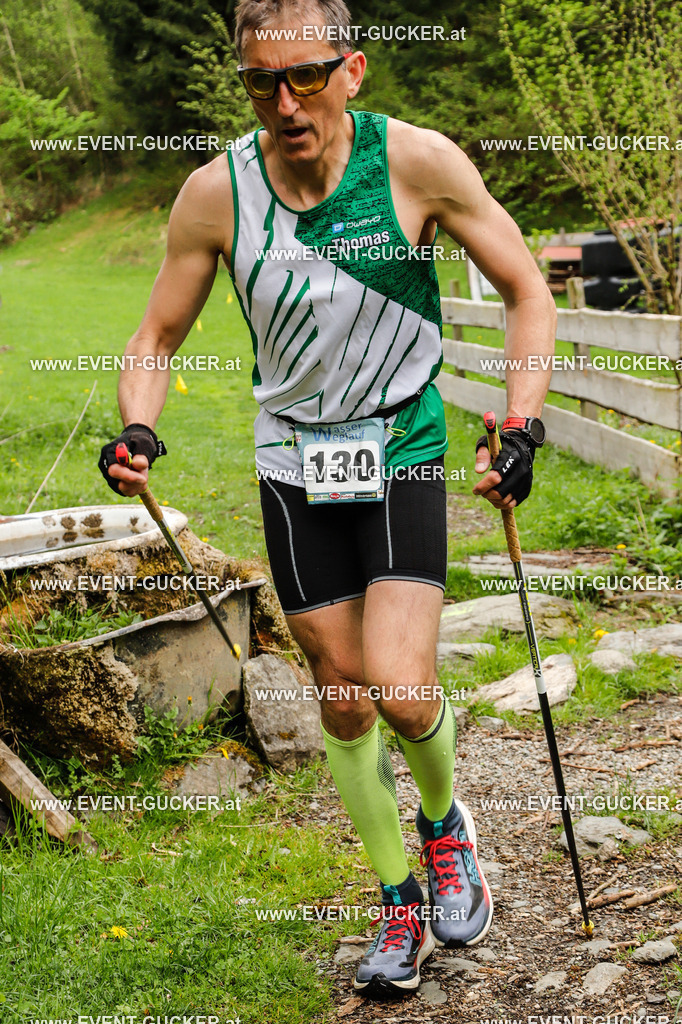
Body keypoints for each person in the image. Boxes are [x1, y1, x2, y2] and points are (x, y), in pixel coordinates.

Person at [98, 0, 556, 999]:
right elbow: (153, 339)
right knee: (342, 699)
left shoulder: (416, 163)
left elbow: (526, 285)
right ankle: (396, 895)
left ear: (350, 71)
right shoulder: (214, 194)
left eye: (304, 75)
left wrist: (519, 424)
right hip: (292, 458)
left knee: (398, 680)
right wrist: (138, 428)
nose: (284, 101)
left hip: (402, 441)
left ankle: (443, 824)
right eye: (261, 81)